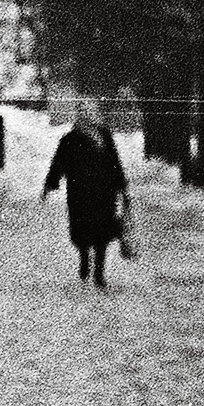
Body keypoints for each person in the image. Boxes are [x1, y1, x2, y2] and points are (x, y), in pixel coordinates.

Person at [44, 105, 131, 287]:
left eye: (91, 112)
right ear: (79, 117)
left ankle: (99, 273)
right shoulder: (70, 139)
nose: (88, 116)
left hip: (104, 192)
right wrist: (50, 183)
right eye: (84, 113)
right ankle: (84, 257)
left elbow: (114, 162)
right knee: (82, 230)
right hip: (79, 192)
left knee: (102, 232)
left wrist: (122, 187)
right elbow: (58, 162)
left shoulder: (104, 136)